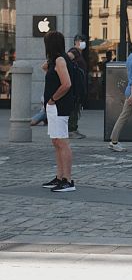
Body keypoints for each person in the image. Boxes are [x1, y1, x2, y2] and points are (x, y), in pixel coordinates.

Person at [40, 31, 76, 192]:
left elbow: (66, 84)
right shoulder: (56, 60)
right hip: (53, 106)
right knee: (56, 142)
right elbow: (47, 71)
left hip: (59, 105)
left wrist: (53, 99)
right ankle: (60, 176)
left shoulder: (61, 60)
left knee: (62, 142)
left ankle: (68, 179)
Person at [66, 34, 88, 139]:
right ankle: (71, 129)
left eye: (83, 41)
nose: (82, 43)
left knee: (77, 107)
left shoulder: (79, 53)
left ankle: (74, 128)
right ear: (75, 42)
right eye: (80, 41)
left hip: (79, 84)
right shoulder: (74, 52)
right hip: (75, 85)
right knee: (74, 108)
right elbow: (67, 57)